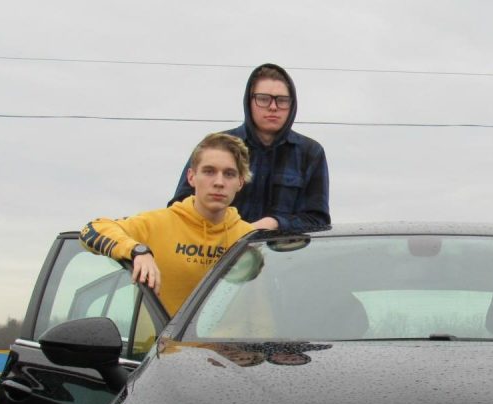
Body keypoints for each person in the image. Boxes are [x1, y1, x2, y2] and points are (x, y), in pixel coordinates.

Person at [81, 133, 255, 316]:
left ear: (240, 182)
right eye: (209, 171)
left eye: (229, 174)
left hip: (229, 344)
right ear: (191, 177)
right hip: (156, 344)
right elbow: (92, 229)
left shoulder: (250, 238)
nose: (219, 182)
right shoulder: (157, 224)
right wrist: (137, 251)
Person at [170, 63, 329, 232]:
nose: (273, 107)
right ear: (249, 101)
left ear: (292, 104)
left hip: (284, 255)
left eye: (282, 100)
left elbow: (318, 220)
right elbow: (179, 207)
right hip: (219, 253)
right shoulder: (217, 147)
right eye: (263, 99)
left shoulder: (310, 152)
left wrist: (274, 223)